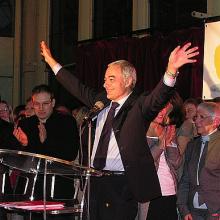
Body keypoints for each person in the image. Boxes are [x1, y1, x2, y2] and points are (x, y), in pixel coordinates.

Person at [40, 41, 199, 220]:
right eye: (105, 79)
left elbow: (157, 97)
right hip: (93, 181)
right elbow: (75, 86)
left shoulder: (138, 105)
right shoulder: (100, 102)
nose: (105, 84)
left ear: (129, 80)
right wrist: (52, 62)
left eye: (111, 79)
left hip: (121, 184)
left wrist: (171, 70)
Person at [13, 84, 80, 219]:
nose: (41, 108)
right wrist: (24, 145)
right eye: (37, 104)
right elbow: (17, 160)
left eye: (45, 103)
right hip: (33, 189)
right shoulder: (25, 124)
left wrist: (46, 141)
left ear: (53, 103)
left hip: (59, 189)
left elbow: (70, 153)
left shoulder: (66, 122)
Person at [177, 102, 220, 220]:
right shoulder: (192, 145)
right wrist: (183, 207)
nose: (196, 121)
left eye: (202, 117)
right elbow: (185, 179)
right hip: (192, 210)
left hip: (215, 210)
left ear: (215, 121)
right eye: (196, 117)